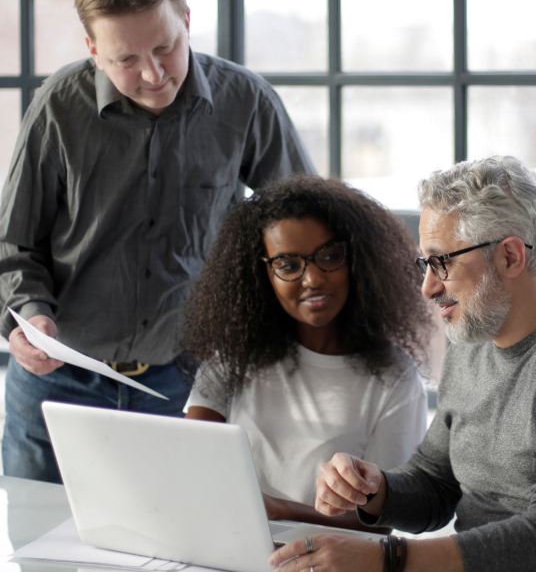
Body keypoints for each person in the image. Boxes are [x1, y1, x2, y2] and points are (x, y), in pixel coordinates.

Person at [0, 0, 315, 483]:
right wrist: (28, 313)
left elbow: (305, 225)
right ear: (92, 49)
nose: (153, 74)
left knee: (177, 558)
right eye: (126, 59)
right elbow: (11, 242)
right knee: (42, 555)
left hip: (188, 384)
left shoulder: (245, 101)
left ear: (186, 17)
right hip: (59, 385)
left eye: (165, 47)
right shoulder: (59, 106)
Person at [270, 155, 536, 572]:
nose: (427, 288)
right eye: (425, 263)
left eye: (442, 261)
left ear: (510, 257)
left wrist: (388, 559)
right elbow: (436, 483)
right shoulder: (474, 334)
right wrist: (372, 490)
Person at [182, 175, 433, 533]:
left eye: (329, 256)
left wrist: (278, 510)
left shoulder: (395, 377)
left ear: (357, 259)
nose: (312, 279)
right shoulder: (232, 359)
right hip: (228, 550)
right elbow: (190, 462)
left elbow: (381, 522)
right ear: (261, 273)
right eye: (288, 265)